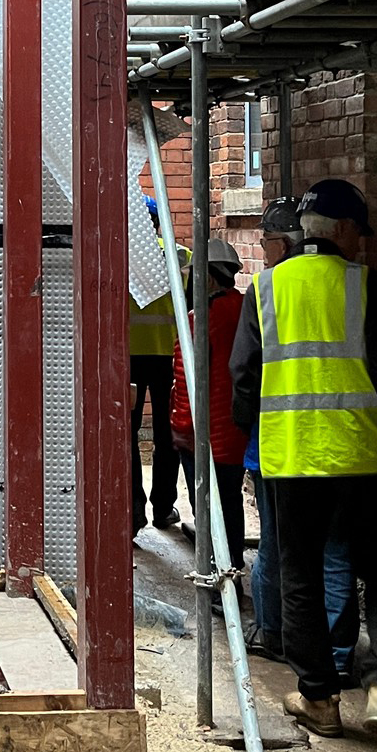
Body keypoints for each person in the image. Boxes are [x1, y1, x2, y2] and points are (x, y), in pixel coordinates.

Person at [230, 176, 377, 744]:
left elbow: (244, 379)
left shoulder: (265, 290)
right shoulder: (366, 285)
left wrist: (254, 433)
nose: (361, 242)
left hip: (294, 458)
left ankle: (318, 699)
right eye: (359, 230)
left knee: (301, 575)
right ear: (339, 229)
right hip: (366, 454)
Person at [246, 196, 360, 677]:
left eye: (266, 241)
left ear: (281, 242)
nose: (263, 250)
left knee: (279, 547)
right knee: (335, 553)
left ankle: (277, 635)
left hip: (282, 444)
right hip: (347, 444)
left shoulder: (268, 287)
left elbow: (244, 375)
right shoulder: (352, 282)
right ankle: (337, 656)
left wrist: (241, 429)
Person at [169, 236, 248, 571]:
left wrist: (180, 429)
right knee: (231, 501)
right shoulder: (250, 309)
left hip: (204, 434)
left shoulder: (199, 318)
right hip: (240, 429)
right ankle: (233, 562)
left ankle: (216, 576)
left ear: (209, 278)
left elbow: (187, 381)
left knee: (206, 506)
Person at [129, 196, 185, 534]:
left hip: (130, 358)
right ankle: (164, 508)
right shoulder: (179, 256)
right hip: (170, 357)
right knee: (169, 435)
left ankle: (133, 512)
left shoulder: (120, 253)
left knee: (127, 435)